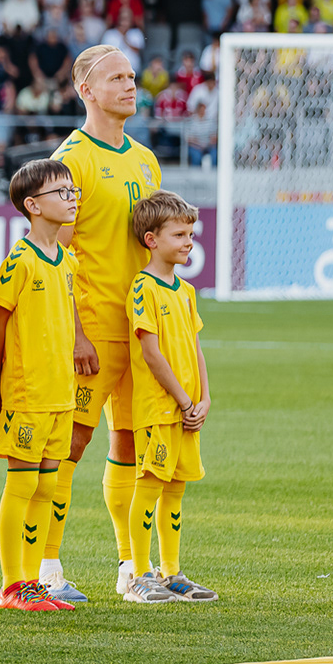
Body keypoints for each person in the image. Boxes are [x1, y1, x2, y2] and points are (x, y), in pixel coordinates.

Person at [51, 46, 162, 603]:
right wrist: (74, 331)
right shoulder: (72, 160)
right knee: (68, 444)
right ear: (86, 91)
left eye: (132, 76)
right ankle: (46, 569)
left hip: (139, 329)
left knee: (131, 444)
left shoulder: (145, 159)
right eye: (115, 77)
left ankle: (132, 569)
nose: (129, 85)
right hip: (92, 328)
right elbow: (55, 250)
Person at [0, 158, 81, 614]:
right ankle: (12, 584)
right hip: (27, 394)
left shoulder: (67, 260)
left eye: (72, 191)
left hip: (61, 394)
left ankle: (34, 584)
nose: (70, 199)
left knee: (46, 488)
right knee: (21, 487)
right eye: (60, 193)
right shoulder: (19, 261)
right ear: (32, 206)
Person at [124, 192, 217, 604]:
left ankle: (171, 572)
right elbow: (151, 352)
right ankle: (140, 575)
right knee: (150, 485)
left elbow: (195, 349)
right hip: (160, 408)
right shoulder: (143, 289)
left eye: (190, 233)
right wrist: (182, 400)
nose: (188, 241)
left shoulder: (185, 291)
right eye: (179, 234)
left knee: (176, 489)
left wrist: (205, 398)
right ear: (151, 239)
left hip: (187, 409)